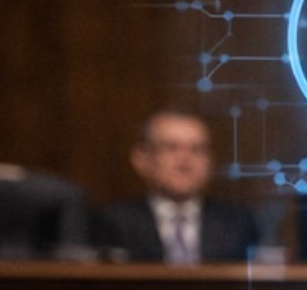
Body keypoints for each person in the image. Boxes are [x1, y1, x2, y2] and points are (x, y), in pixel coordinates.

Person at [91, 110, 258, 264]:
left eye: (197, 149)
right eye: (171, 148)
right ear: (141, 159)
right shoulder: (114, 222)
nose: (184, 160)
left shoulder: (237, 222)